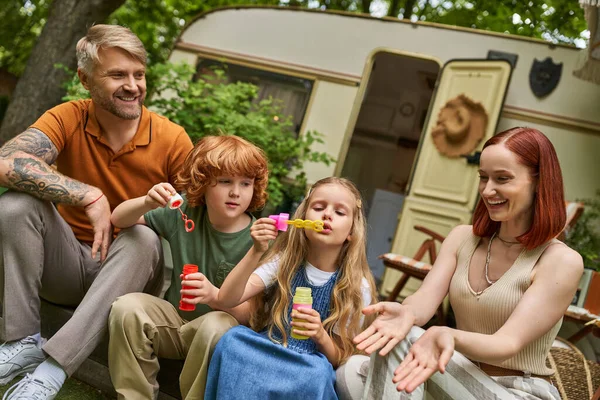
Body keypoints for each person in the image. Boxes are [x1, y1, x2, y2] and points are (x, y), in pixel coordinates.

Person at [0, 25, 193, 399]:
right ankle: (20, 342)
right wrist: (87, 194)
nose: (133, 85)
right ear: (85, 79)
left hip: (128, 280)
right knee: (13, 205)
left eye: (139, 74)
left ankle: (52, 371)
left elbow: (199, 215)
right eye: (118, 74)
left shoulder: (172, 139)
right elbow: (5, 161)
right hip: (65, 265)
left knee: (143, 235)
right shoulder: (69, 116)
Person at [337, 127, 583, 400]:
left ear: (539, 182)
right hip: (451, 377)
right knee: (349, 371)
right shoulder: (462, 238)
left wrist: (448, 336)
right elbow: (422, 303)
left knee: (407, 343)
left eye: (503, 178)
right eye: (483, 177)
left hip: (515, 391)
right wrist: (406, 313)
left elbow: (507, 343)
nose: (488, 190)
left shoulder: (561, 261)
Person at [108, 134, 269, 400]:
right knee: (127, 308)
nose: (235, 192)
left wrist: (214, 297)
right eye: (225, 181)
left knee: (217, 323)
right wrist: (148, 201)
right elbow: (120, 219)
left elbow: (251, 317)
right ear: (202, 183)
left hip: (219, 338)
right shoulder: (183, 212)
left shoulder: (260, 240)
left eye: (246, 183)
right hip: (174, 322)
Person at [204, 177, 378, 400]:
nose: (327, 215)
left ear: (351, 232)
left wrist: (320, 335)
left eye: (340, 212)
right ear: (303, 218)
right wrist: (256, 251)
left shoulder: (356, 286)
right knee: (232, 341)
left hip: (308, 362)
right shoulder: (283, 261)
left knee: (318, 375)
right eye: (319, 207)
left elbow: (339, 358)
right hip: (269, 344)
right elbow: (228, 299)